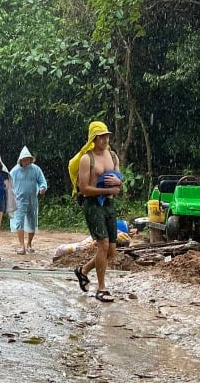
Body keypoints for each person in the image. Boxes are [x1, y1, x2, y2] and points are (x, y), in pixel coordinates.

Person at [68, 121, 122, 303]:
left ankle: (83, 271)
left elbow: (119, 182)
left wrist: (118, 184)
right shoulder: (87, 159)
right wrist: (107, 191)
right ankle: (101, 288)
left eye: (107, 136)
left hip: (109, 204)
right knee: (103, 244)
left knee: (111, 250)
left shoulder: (113, 156)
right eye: (102, 137)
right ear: (94, 139)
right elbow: (84, 188)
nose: (105, 139)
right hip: (92, 204)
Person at [9, 146, 47, 255]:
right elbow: (8, 183)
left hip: (32, 199)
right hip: (19, 200)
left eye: (28, 159)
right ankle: (22, 246)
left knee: (32, 222)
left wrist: (42, 188)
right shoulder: (15, 171)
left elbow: (42, 181)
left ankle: (29, 244)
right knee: (19, 222)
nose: (26, 161)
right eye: (24, 159)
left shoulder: (35, 169)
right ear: (20, 160)